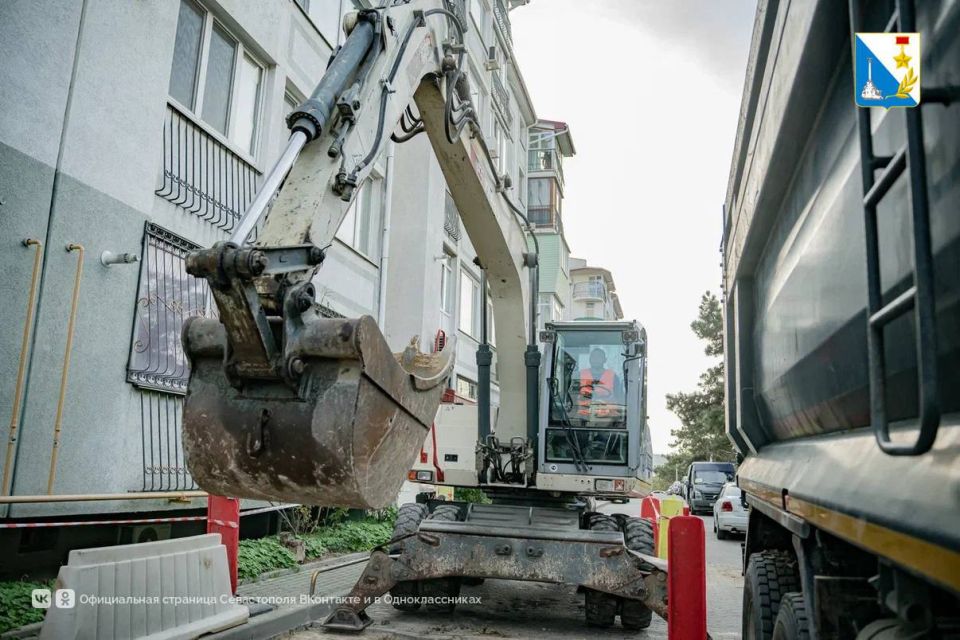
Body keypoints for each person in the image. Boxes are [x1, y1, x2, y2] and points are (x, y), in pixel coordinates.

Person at [578, 348, 623, 419]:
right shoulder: (580, 375)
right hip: (584, 417)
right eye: (593, 357)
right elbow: (573, 396)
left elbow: (620, 397)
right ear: (589, 359)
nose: (596, 359)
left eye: (599, 357)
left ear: (605, 360)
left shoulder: (613, 376)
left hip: (609, 418)